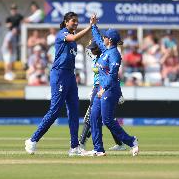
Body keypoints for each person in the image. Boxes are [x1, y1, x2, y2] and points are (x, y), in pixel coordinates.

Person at [25, 12, 93, 156]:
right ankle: (32, 140)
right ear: (66, 22)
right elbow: (74, 37)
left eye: (77, 21)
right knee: (55, 110)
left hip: (70, 75)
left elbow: (76, 40)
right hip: (59, 75)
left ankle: (74, 147)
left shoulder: (73, 40)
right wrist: (90, 27)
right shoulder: (62, 34)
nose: (75, 23)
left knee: (74, 110)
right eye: (73, 21)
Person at [88, 14, 139, 156]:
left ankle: (132, 141)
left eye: (105, 37)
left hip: (110, 90)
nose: (103, 38)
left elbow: (113, 75)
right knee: (94, 117)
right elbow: (98, 39)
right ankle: (98, 149)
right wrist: (93, 26)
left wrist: (103, 88)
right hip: (101, 90)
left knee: (107, 120)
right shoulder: (106, 51)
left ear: (109, 40)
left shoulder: (114, 54)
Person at [79, 40, 126, 151]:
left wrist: (119, 93)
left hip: (104, 88)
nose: (91, 50)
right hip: (97, 87)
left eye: (93, 48)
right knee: (106, 118)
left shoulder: (107, 58)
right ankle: (120, 143)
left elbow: (114, 76)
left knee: (92, 115)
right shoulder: (97, 57)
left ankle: (81, 143)